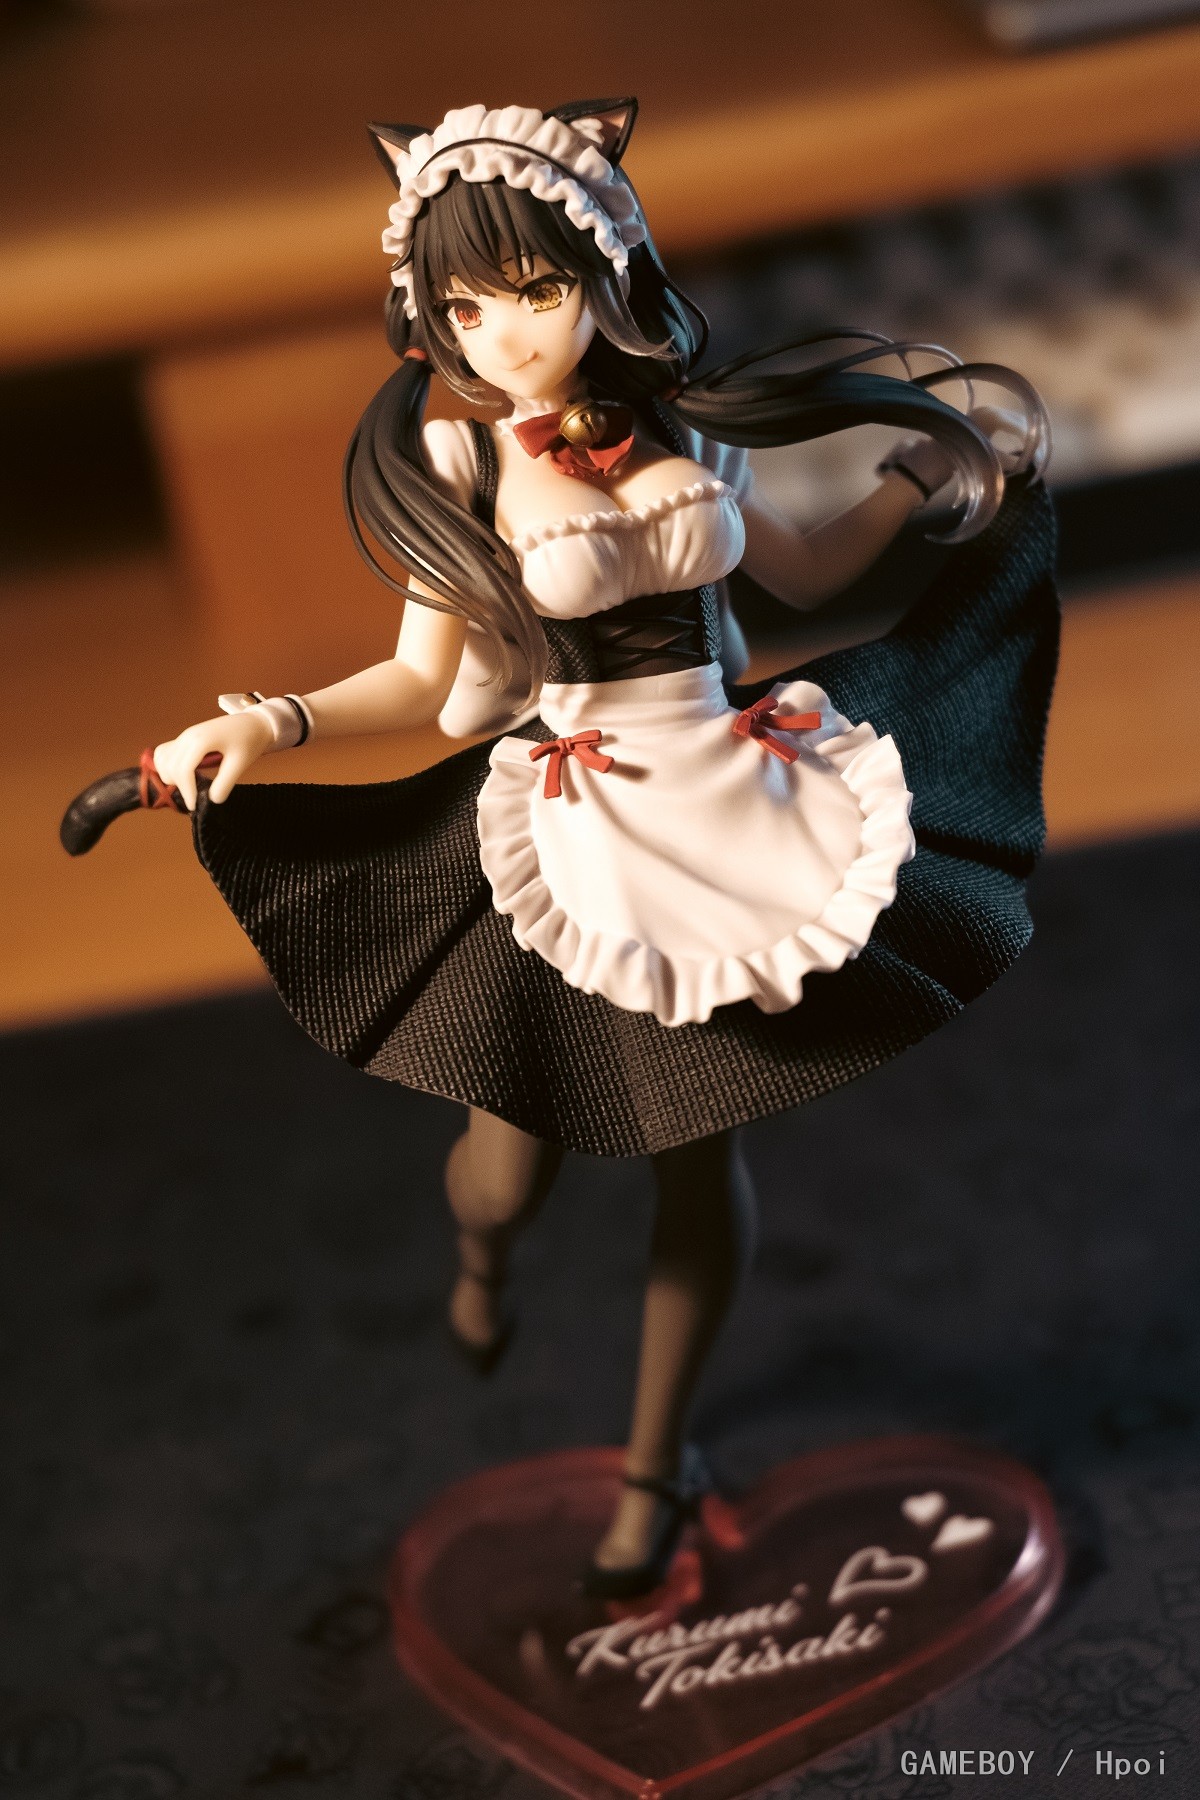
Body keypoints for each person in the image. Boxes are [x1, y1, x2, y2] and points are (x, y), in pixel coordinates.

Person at [63, 99, 1059, 1598]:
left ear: (605, 271)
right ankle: (481, 1262)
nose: (504, 334)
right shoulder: (462, 461)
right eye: (465, 306)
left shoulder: (687, 424)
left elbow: (798, 577)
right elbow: (426, 683)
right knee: (503, 1170)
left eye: (531, 289)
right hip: (578, 819)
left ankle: (657, 1466)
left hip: (730, 787)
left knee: (695, 1150)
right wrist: (271, 722)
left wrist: (931, 474)